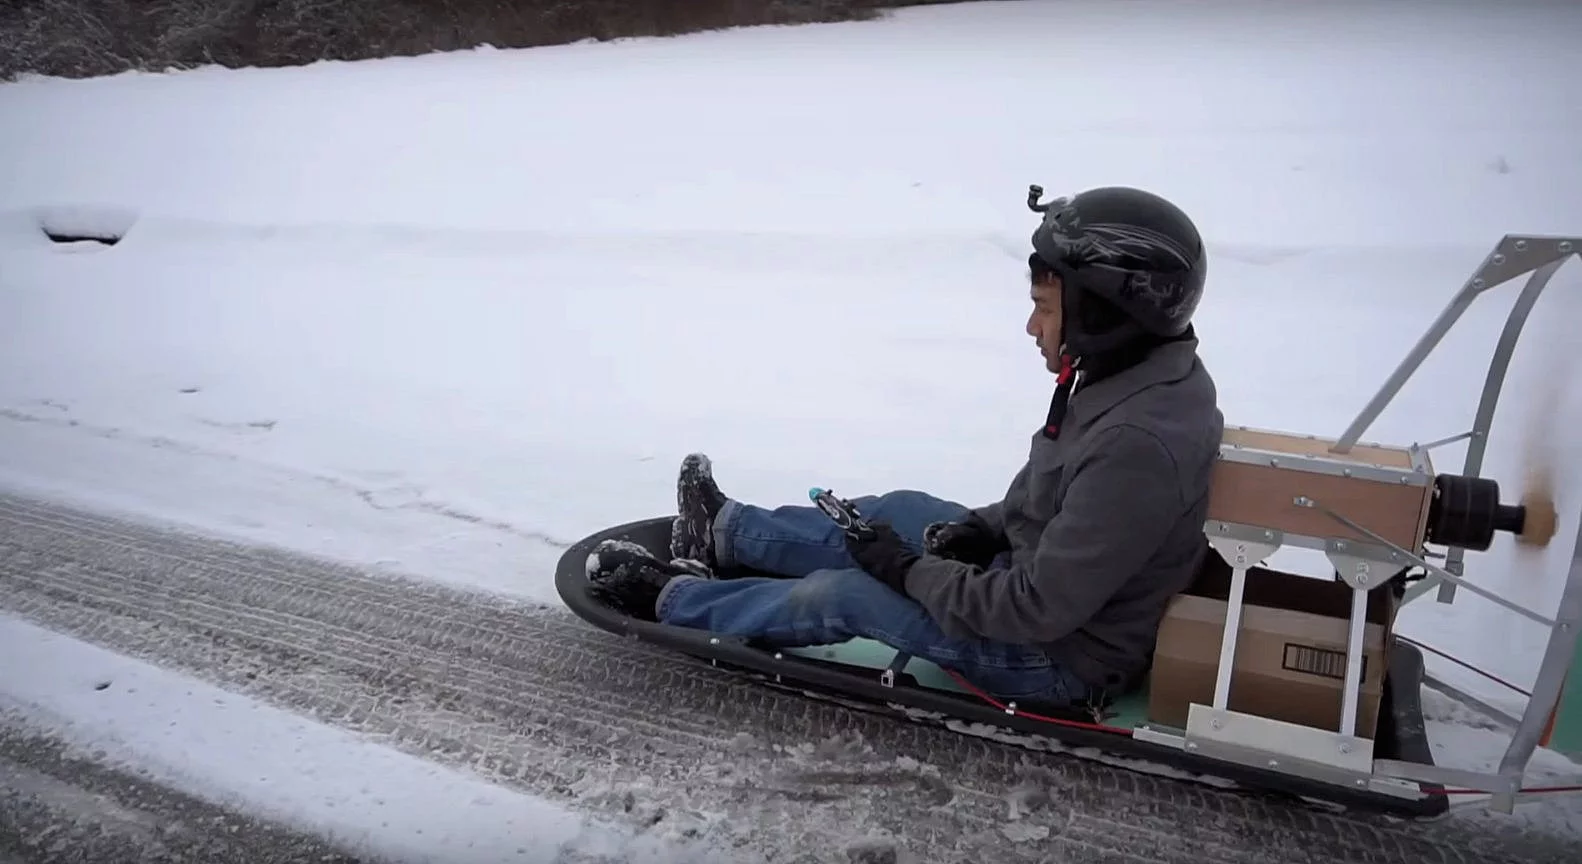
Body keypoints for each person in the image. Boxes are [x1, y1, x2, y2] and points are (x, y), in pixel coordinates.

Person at [585, 184, 1225, 709]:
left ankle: (674, 602)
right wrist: (980, 529)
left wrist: (907, 571)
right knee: (902, 510)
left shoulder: (1135, 443)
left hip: (1056, 659)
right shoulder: (1132, 375)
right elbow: (1052, 498)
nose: (1032, 326)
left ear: (1107, 313)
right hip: (1045, 592)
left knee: (850, 592)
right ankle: (725, 535)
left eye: (1046, 309)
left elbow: (1035, 610)